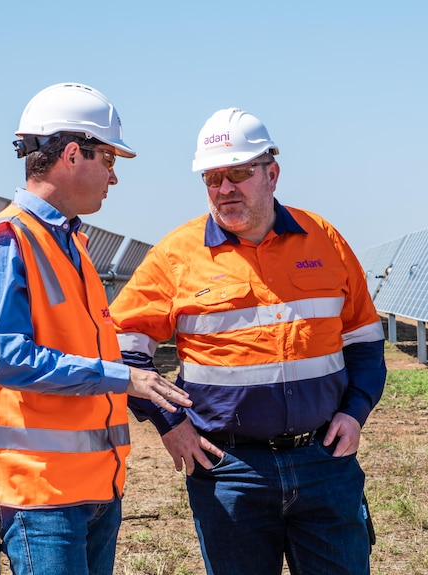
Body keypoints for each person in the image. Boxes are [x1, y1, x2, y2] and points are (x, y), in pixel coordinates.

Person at [109, 107, 387, 574]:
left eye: (237, 173)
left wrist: (355, 412)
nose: (223, 189)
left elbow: (364, 338)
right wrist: (168, 422)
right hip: (228, 469)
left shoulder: (324, 240)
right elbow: (123, 348)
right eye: (212, 178)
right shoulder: (176, 255)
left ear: (271, 173)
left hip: (324, 460)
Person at [0, 82, 191, 575]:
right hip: (40, 494)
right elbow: (6, 358)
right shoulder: (7, 242)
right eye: (108, 160)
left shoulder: (73, 245)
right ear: (71, 154)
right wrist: (126, 379)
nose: (113, 178)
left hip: (93, 488)